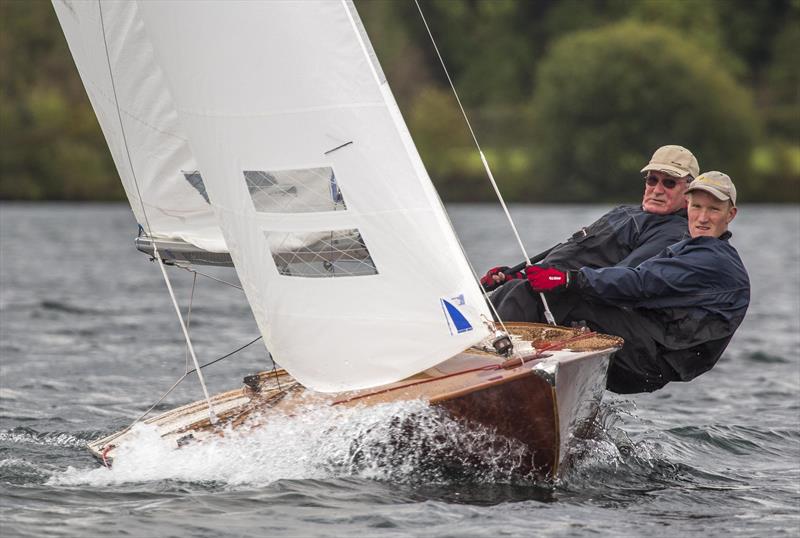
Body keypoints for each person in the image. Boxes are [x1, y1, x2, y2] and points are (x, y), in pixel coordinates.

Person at [503, 172, 750, 394]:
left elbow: (641, 281)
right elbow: (628, 276)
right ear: (687, 206)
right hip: (648, 349)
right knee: (529, 291)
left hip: (651, 360)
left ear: (731, 214)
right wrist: (521, 275)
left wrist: (568, 279)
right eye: (696, 206)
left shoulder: (713, 259)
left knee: (558, 297)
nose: (702, 217)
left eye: (714, 210)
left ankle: (492, 360)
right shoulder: (689, 247)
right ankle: (512, 366)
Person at [481, 144, 699, 293]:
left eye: (669, 183)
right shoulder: (624, 212)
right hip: (548, 291)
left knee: (517, 294)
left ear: (689, 193)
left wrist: (565, 281)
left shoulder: (674, 234)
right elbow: (570, 256)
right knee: (509, 290)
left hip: (578, 305)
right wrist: (517, 277)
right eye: (652, 180)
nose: (657, 190)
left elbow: (627, 279)